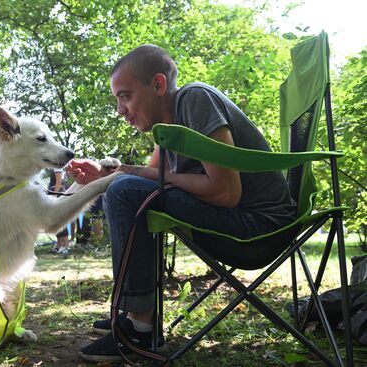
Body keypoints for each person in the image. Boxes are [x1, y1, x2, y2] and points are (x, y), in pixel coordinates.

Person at [66, 45, 297, 362]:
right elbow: (150, 178)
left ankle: (139, 327)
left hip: (258, 230)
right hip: (242, 222)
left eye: (125, 96)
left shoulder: (194, 100)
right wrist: (105, 176)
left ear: (158, 85)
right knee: (122, 188)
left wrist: (133, 180)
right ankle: (138, 319)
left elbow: (226, 192)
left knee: (124, 191)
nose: (120, 110)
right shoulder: (167, 127)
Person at [47, 168, 71, 255]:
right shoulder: (56, 166)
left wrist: (54, 196)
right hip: (57, 194)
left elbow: (58, 182)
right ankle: (59, 245)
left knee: (60, 220)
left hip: (57, 195)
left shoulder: (57, 166)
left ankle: (66, 246)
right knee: (56, 221)